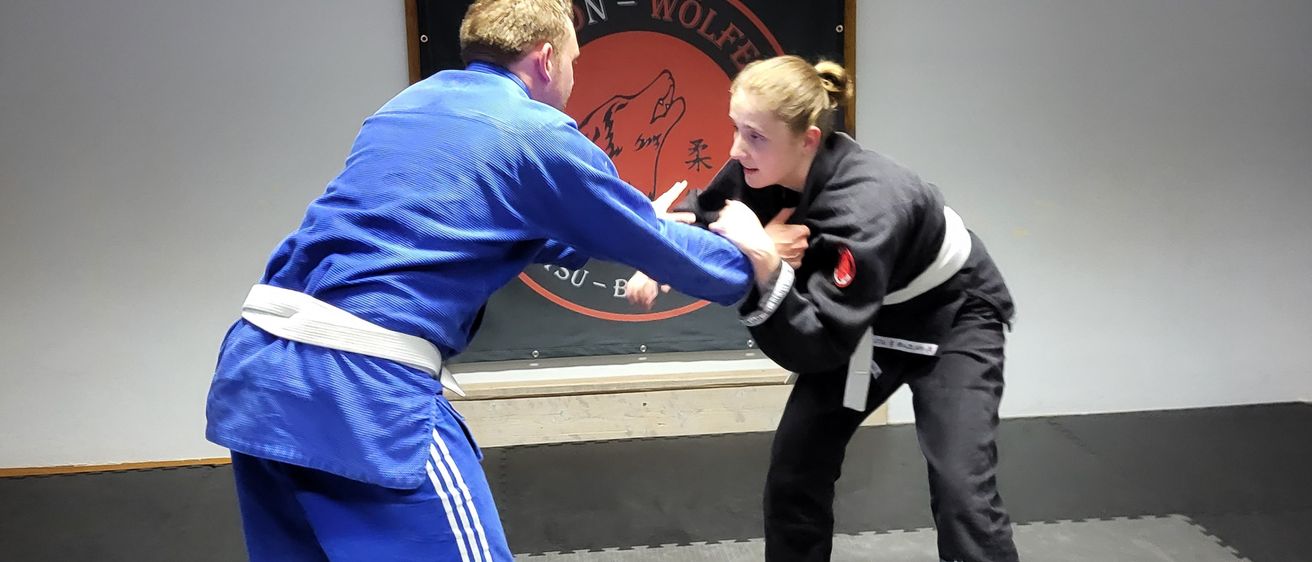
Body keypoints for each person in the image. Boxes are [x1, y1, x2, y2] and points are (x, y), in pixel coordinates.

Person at [203, 1, 766, 560]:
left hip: (258, 373)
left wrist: (634, 228)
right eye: (573, 61)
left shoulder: (407, 106)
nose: (572, 78)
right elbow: (652, 244)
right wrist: (759, 266)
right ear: (546, 59)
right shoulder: (535, 131)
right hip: (361, 388)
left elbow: (490, 227)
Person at [629, 55, 1020, 562]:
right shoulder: (756, 166)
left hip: (953, 317)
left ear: (808, 140)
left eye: (755, 136)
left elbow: (818, 345)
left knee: (961, 488)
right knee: (795, 472)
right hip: (862, 316)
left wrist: (765, 260)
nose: (737, 149)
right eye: (736, 129)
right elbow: (706, 213)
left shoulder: (869, 205)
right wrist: (663, 255)